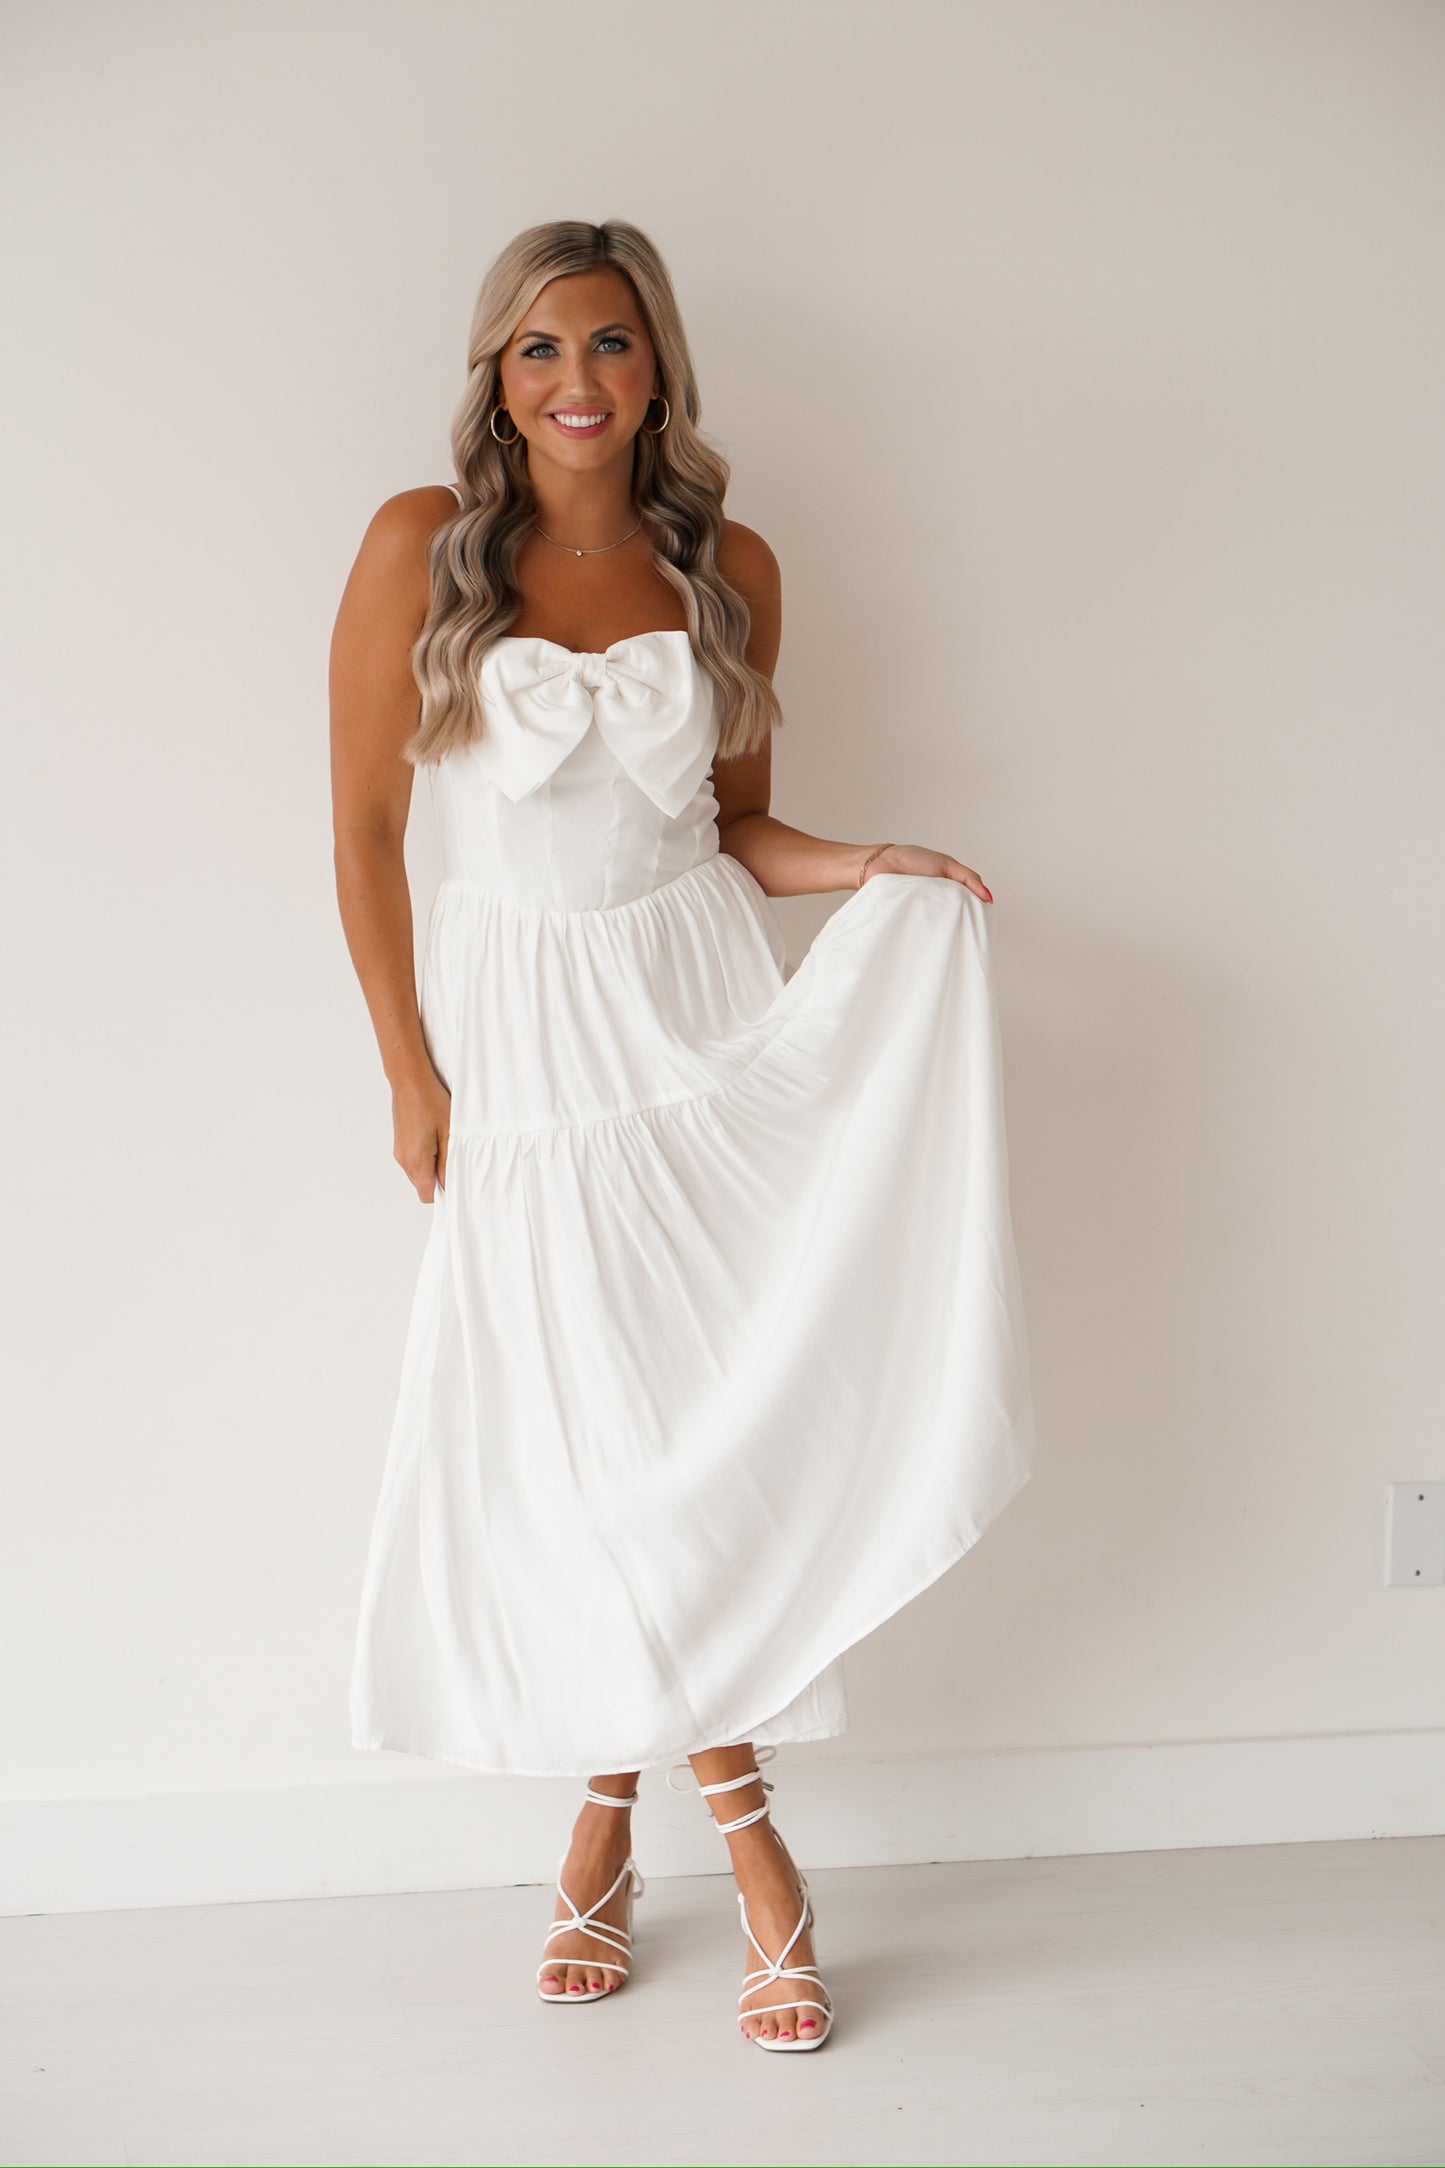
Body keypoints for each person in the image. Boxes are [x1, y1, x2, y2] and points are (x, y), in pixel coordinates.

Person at [329, 218, 1036, 2053]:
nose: (577, 383)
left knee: (691, 1449)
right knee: (588, 1443)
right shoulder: (423, 541)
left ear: (660, 372)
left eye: (613, 347)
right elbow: (357, 835)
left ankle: (604, 1817)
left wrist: (869, 867)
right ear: (498, 374)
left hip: (704, 1032)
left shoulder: (726, 565)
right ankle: (753, 1848)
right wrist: (411, 1071)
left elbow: (736, 830)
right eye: (540, 350)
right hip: (533, 1059)